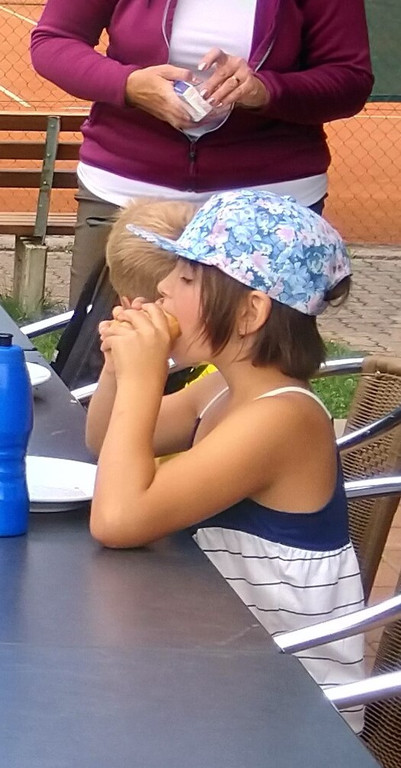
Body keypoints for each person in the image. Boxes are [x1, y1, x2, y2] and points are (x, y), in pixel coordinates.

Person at [86, 189, 365, 732]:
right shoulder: (221, 389)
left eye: (188, 278)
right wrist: (119, 368)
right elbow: (103, 441)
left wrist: (145, 378)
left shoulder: (281, 419)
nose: (164, 287)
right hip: (226, 664)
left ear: (250, 312)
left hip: (286, 713)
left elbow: (117, 519)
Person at [30, 0, 374, 306]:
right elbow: (54, 41)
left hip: (268, 208)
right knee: (101, 349)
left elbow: (349, 78)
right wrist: (130, 85)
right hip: (124, 192)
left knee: (251, 355)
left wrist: (264, 90)